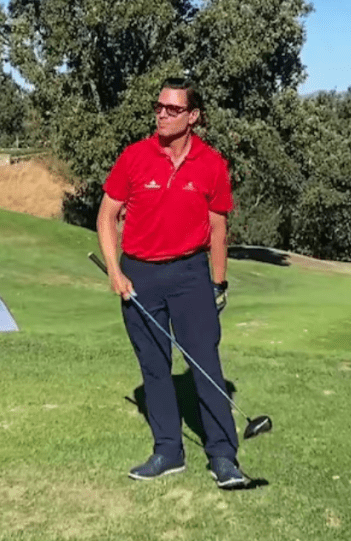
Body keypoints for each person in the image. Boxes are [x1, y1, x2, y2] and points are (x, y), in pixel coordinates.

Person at [96, 77, 246, 489]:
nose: (162, 114)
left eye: (173, 109)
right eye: (159, 107)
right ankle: (168, 451)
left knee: (205, 364)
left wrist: (218, 284)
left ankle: (222, 456)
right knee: (155, 368)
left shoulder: (212, 164)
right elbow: (106, 215)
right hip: (140, 275)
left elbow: (218, 230)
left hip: (191, 274)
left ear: (193, 116)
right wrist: (115, 270)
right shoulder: (134, 157)